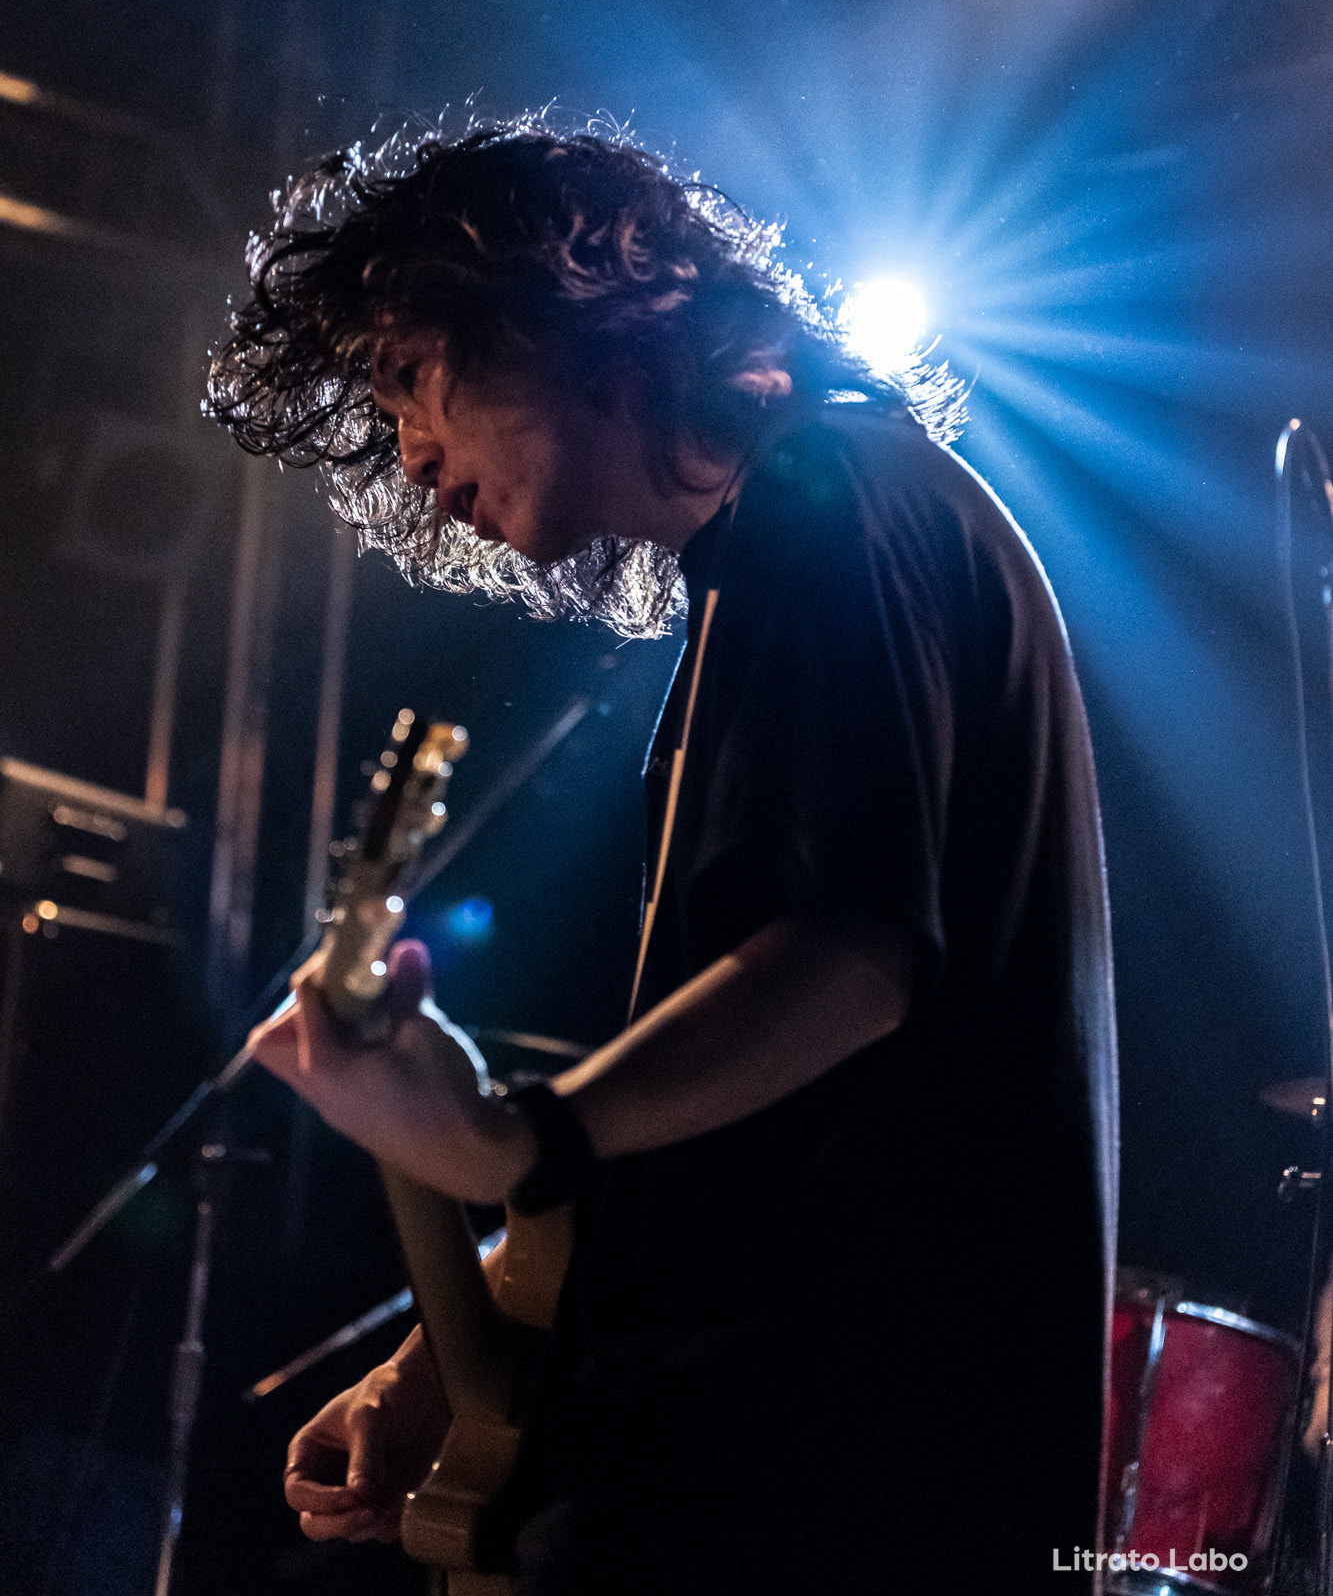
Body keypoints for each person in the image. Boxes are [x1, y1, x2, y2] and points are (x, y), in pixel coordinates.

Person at [209, 123, 1118, 1595]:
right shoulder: (796, 532)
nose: (411, 460)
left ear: (552, 309)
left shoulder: (830, 497)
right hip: (783, 1452)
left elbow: (850, 961)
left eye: (410, 380)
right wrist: (440, 1361)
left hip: (825, 1476)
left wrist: (522, 1136)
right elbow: (736, 1121)